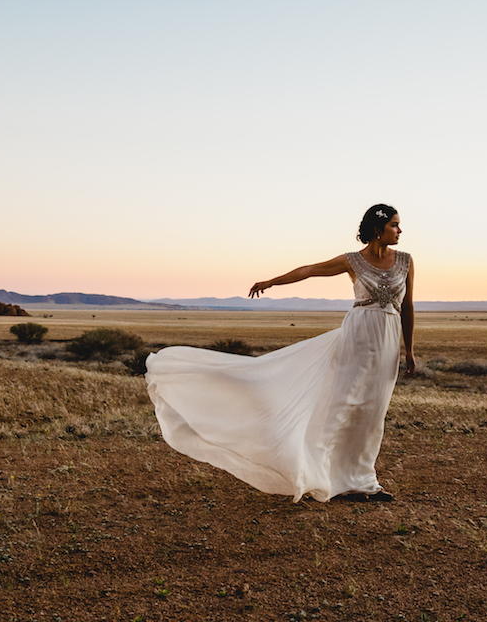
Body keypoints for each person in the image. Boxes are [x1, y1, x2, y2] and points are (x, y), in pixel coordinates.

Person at [145, 204, 416, 503]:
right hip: (358, 338)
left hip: (388, 342)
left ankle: (364, 481)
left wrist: (410, 349)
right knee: (342, 407)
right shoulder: (352, 261)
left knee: (372, 412)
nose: (400, 230)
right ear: (378, 229)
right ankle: (323, 476)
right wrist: (272, 281)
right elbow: (309, 270)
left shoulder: (405, 261)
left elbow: (407, 306)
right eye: (395, 225)